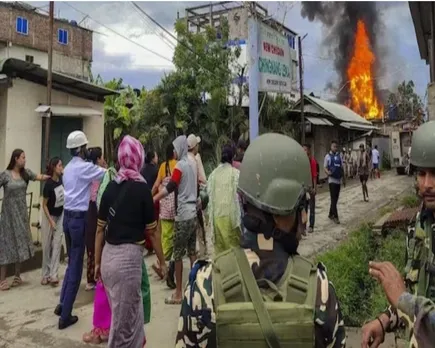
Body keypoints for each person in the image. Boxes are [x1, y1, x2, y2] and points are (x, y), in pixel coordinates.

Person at [175, 133, 346, 347]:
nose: (304, 218)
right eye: (300, 206)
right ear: (281, 209)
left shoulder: (203, 286)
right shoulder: (319, 289)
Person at [361, 121, 435, 348]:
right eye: (421, 173)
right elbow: (414, 294)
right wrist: (385, 320)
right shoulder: (419, 225)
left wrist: (402, 299)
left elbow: (408, 300)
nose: (427, 184)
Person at [95, 135, 166, 348]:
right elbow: (153, 234)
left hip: (108, 258)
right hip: (128, 263)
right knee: (124, 327)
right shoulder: (142, 189)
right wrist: (163, 262)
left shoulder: (110, 187)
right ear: (139, 158)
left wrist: (98, 263)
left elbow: (100, 230)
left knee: (130, 317)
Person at [53, 130, 106, 330]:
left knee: (70, 263)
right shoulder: (84, 168)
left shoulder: (68, 169)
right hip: (78, 219)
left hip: (68, 217)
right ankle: (65, 316)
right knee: (76, 266)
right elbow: (104, 173)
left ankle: (62, 304)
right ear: (82, 149)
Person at [153, 135, 197, 305]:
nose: (174, 152)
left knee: (177, 255)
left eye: (175, 148)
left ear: (179, 148)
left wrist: (155, 198)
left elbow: (171, 186)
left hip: (184, 214)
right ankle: (194, 289)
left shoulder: (180, 165)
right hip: (193, 212)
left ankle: (178, 293)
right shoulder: (192, 163)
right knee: (192, 252)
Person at [0, 149, 50, 291]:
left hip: (21, 215)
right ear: (16, 159)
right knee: (6, 244)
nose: (25, 159)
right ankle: (2, 279)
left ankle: (17, 276)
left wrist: (51, 176)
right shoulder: (5, 175)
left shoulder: (25, 173)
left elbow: (38, 177)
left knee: (20, 243)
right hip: (8, 216)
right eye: (23, 157)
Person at [207, 145, 241, 254]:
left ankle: (223, 270)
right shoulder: (235, 173)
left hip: (216, 218)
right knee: (234, 251)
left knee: (221, 252)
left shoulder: (213, 175)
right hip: (231, 217)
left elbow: (210, 196)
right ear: (232, 158)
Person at [151, 143, 177, 288]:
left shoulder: (162, 166)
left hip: (165, 206)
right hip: (176, 204)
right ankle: (162, 263)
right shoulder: (178, 165)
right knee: (174, 236)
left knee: (165, 235)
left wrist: (150, 197)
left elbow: (156, 185)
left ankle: (162, 262)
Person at [85, 147, 107, 291]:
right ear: (98, 159)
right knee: (98, 241)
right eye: (101, 157)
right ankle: (97, 276)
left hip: (89, 208)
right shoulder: (100, 173)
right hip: (95, 207)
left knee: (91, 243)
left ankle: (92, 277)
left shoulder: (87, 171)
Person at [41, 157, 64, 286]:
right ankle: (45, 273)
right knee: (46, 245)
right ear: (54, 167)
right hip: (48, 215)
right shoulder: (48, 185)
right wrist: (50, 221)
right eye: (60, 166)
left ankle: (54, 274)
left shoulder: (60, 180)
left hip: (60, 214)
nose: (62, 168)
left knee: (57, 244)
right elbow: (44, 205)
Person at [187, 134, 207, 258]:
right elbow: (203, 178)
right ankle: (204, 251)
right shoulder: (196, 158)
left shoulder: (182, 160)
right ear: (195, 147)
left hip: (185, 201)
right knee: (200, 225)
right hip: (195, 198)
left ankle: (192, 252)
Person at [141, 150, 159, 255]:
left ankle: (148, 246)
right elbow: (157, 185)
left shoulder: (142, 170)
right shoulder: (156, 170)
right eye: (156, 156)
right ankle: (155, 245)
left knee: (146, 223)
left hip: (144, 199)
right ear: (152, 158)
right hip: (154, 198)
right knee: (155, 222)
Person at [324, 140, 344, 224]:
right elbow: (324, 167)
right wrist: (327, 172)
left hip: (338, 180)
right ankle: (336, 217)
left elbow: (342, 168)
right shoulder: (327, 156)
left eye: (336, 146)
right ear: (331, 147)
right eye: (333, 146)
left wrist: (344, 179)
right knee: (333, 198)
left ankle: (330, 214)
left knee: (335, 199)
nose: (335, 148)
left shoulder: (340, 156)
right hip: (331, 180)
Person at [303, 144, 317, 233]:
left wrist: (314, 188)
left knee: (311, 207)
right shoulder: (301, 162)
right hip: (303, 188)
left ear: (308, 151)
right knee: (303, 208)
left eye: (305, 149)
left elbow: (314, 176)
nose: (303, 151)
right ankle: (303, 227)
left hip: (310, 187)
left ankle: (311, 226)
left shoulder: (312, 162)